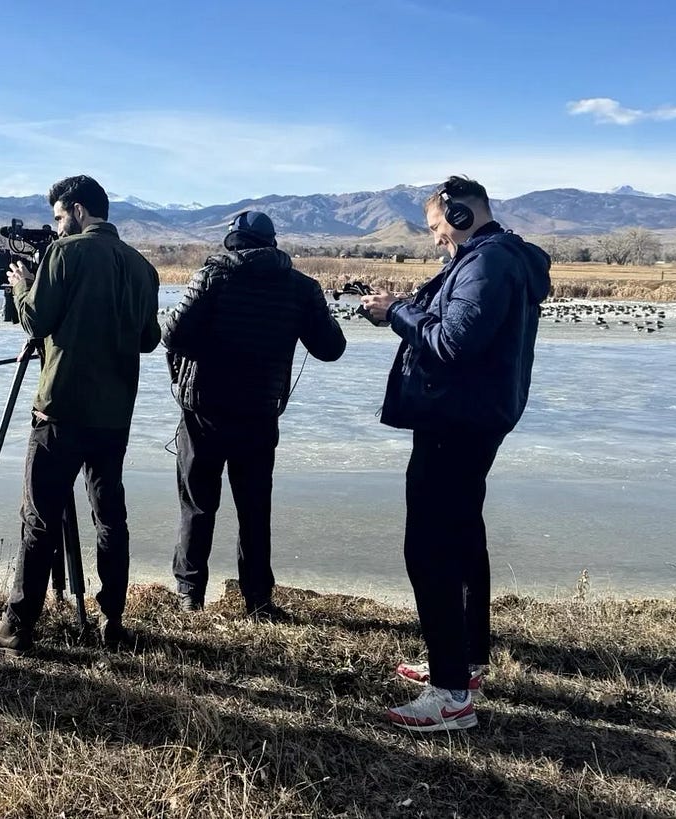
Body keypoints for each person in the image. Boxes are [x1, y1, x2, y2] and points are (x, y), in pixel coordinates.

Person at [359, 176, 551, 732]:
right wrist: (398, 305)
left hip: (455, 422)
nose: (436, 236)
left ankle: (450, 696)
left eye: (437, 225)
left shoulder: (487, 264)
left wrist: (397, 314)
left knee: (431, 547)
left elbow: (452, 342)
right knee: (464, 536)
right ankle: (464, 661)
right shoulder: (490, 258)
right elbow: (451, 321)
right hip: (470, 418)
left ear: (461, 215)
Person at [0, 175, 161, 654]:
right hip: (115, 414)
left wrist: (22, 286)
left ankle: (17, 626)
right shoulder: (142, 268)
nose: (56, 229)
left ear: (77, 211)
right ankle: (112, 622)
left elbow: (36, 319)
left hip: (60, 410)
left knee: (39, 516)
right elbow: (148, 339)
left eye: (59, 218)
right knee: (110, 517)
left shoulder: (65, 254)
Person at [162, 211, 346, 619]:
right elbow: (332, 348)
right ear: (272, 243)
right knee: (254, 508)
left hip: (204, 410)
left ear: (233, 242)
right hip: (260, 414)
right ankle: (258, 599)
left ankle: (190, 595)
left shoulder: (211, 277)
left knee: (197, 504)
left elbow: (171, 335)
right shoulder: (302, 288)